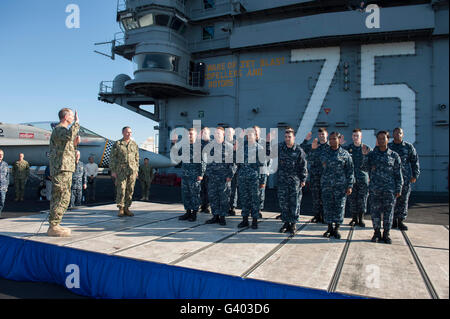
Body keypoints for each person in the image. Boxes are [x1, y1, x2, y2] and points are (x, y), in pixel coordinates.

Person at [47, 108, 80, 237]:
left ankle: (55, 223)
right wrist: (76, 123)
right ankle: (53, 225)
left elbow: (65, 147)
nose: (73, 118)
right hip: (61, 168)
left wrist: (74, 147)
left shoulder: (62, 131)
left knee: (62, 196)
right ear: (66, 117)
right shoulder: (60, 129)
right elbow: (69, 136)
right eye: (72, 116)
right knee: (62, 196)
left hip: (65, 167)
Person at [367, 131, 403, 244]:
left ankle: (386, 234)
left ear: (388, 139)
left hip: (389, 190)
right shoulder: (372, 155)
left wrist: (399, 188)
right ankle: (376, 233)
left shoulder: (394, 155)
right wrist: (364, 155)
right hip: (375, 189)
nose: (381, 140)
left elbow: (398, 174)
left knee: (389, 213)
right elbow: (363, 167)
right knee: (375, 212)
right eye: (379, 139)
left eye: (383, 138)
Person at [317, 132, 354, 239]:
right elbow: (318, 166)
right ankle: (329, 228)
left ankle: (337, 228)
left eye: (334, 139)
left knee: (339, 207)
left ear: (339, 140)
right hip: (327, 185)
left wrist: (350, 185)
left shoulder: (345, 154)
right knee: (328, 207)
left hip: (340, 186)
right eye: (331, 139)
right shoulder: (324, 153)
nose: (332, 141)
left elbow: (350, 171)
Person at [388, 128, 420, 231]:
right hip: (391, 179)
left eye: (400, 133)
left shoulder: (408, 147)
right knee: (392, 200)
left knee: (403, 199)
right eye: (396, 133)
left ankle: (400, 221)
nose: (398, 135)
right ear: (393, 134)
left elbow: (414, 161)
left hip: (405, 178)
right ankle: (392, 221)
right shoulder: (389, 147)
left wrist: (415, 175)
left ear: (403, 135)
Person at [278, 127, 308, 234]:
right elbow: (268, 152)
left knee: (295, 203)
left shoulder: (299, 150)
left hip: (295, 181)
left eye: (289, 137)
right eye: (286, 137)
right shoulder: (280, 148)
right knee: (284, 203)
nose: (287, 139)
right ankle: (286, 223)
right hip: (282, 181)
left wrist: (303, 179)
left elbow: (303, 166)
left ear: (293, 137)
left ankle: (293, 224)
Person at [237, 128, 267, 229]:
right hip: (242, 178)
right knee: (244, 199)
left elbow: (263, 167)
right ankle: (245, 220)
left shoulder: (259, 148)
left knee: (255, 200)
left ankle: (254, 220)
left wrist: (262, 181)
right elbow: (236, 162)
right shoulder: (241, 147)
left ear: (256, 136)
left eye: (251, 135)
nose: (249, 137)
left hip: (254, 179)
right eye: (248, 135)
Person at [204, 127, 234, 226]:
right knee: (213, 197)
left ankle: (222, 217)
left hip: (223, 177)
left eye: (219, 134)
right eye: (216, 133)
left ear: (223, 135)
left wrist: (230, 175)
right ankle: (215, 216)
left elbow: (234, 163)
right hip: (212, 177)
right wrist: (207, 173)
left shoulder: (229, 147)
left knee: (224, 197)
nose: (217, 135)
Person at [343, 129, 371, 227]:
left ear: (361, 136)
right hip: (351, 179)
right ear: (352, 136)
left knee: (362, 199)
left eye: (357, 136)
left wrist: (365, 156)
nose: (356, 137)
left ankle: (361, 218)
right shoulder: (347, 149)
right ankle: (354, 218)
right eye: (354, 135)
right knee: (352, 199)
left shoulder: (367, 149)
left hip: (363, 179)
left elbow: (371, 165)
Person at [301, 128, 330, 223]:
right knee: (316, 197)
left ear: (327, 135)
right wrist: (306, 140)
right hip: (315, 176)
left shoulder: (331, 147)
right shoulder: (314, 146)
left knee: (326, 197)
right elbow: (301, 148)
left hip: (326, 177)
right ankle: (317, 216)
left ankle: (326, 216)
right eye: (320, 134)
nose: (321, 136)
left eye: (323, 134)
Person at [110, 126, 139, 217]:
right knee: (121, 189)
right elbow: (112, 158)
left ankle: (127, 208)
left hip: (132, 170)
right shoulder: (118, 144)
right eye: (127, 132)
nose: (129, 134)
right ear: (123, 133)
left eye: (130, 132)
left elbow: (136, 158)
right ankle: (121, 208)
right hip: (121, 170)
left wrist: (136, 169)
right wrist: (113, 170)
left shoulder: (134, 144)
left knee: (130, 189)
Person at [177, 128, 205, 222]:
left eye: (191, 134)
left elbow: (204, 161)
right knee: (186, 194)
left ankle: (194, 214)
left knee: (195, 194)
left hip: (195, 175)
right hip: (185, 174)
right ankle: (188, 212)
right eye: (188, 134)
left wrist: (201, 174)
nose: (189, 136)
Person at [254, 125, 268, 218]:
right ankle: (253, 209)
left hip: (263, 170)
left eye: (256, 132)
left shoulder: (264, 143)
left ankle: (259, 209)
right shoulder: (248, 143)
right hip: (253, 173)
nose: (255, 133)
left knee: (261, 192)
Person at [226, 127, 238, 216]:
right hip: (224, 170)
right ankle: (225, 206)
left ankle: (232, 207)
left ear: (233, 133)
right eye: (227, 132)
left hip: (234, 170)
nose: (228, 134)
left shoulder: (237, 144)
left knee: (233, 189)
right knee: (225, 189)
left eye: (230, 132)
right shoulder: (223, 143)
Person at [200, 126, 211, 214]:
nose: (204, 134)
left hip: (208, 171)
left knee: (208, 189)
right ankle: (202, 205)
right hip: (199, 171)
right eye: (202, 133)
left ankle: (207, 206)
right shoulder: (198, 144)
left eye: (205, 133)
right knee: (201, 189)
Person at [0, 149, 9, 218]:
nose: (1, 155)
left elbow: (7, 176)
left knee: (2, 202)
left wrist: (6, 186)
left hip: (3, 187)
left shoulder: (5, 164)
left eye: (2, 154)